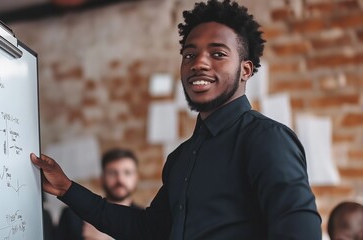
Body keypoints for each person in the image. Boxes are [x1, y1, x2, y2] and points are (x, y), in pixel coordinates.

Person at [30, 0, 322, 239]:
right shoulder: (181, 157)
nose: (199, 63)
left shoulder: (266, 138)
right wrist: (66, 188)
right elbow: (146, 230)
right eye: (189, 54)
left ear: (245, 70)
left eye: (217, 53)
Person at [56, 148, 141, 240]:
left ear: (136, 178)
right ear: (102, 178)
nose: (120, 179)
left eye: (127, 172)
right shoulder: (71, 215)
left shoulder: (143, 220)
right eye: (112, 173)